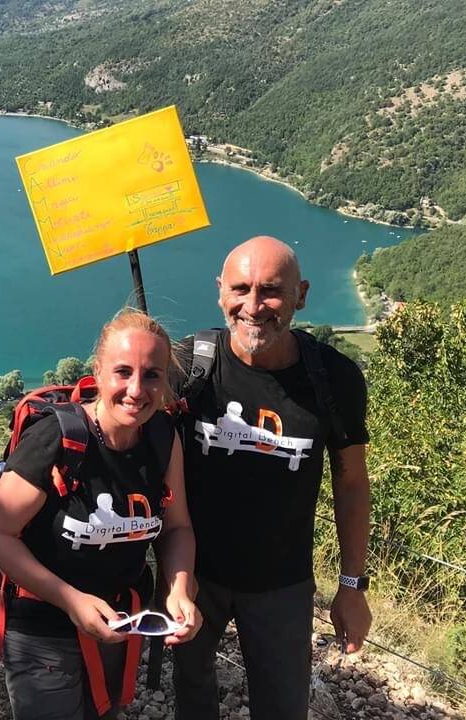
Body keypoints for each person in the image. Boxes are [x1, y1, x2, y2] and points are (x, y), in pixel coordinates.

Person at [172, 235, 372, 720]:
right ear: (220, 291)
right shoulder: (188, 365)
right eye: (240, 289)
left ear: (301, 295)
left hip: (283, 583)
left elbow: (351, 482)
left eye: (271, 291)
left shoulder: (334, 378)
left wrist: (352, 585)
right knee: (192, 699)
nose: (254, 306)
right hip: (193, 577)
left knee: (283, 706)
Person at [0, 309, 201, 720]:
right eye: (122, 372)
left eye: (152, 375)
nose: (137, 390)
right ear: (97, 372)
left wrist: (180, 589)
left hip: (118, 623)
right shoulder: (55, 441)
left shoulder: (161, 438)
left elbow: (178, 527)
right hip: (44, 630)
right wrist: (72, 601)